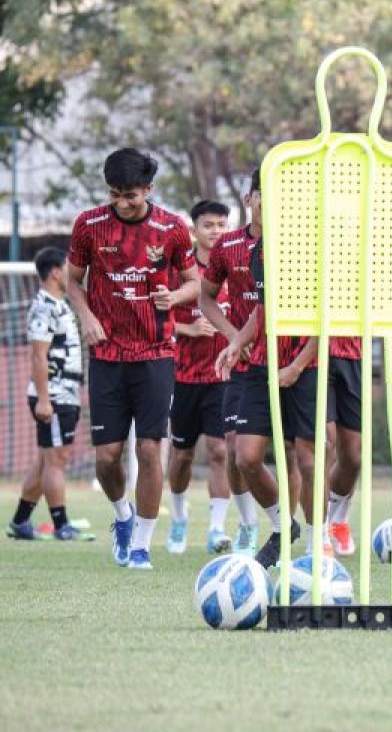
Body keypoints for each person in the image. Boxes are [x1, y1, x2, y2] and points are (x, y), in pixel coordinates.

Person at [67, 148, 199, 570]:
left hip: (156, 353)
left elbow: (195, 283)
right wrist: (86, 315)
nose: (122, 203)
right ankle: (122, 516)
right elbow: (73, 281)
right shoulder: (88, 225)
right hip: (106, 354)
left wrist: (173, 296)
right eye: (115, 194)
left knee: (148, 448)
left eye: (131, 195)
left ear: (148, 189)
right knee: (106, 457)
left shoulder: (173, 228)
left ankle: (141, 544)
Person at [214, 198, 319, 569]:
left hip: (307, 366)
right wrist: (237, 343)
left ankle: (316, 543)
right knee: (246, 457)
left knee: (307, 459)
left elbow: (329, 317)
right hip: (262, 364)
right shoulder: (259, 250)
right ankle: (281, 526)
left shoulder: (318, 246)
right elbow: (263, 309)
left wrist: (297, 366)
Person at [200, 172, 273, 557]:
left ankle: (293, 529)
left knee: (295, 450)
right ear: (249, 198)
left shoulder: (293, 242)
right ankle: (247, 524)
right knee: (233, 447)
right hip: (243, 361)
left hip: (285, 358)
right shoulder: (228, 246)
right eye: (265, 193)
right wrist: (233, 338)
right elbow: (206, 299)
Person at [7, 247, 92, 542]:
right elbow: (38, 357)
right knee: (57, 459)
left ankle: (20, 522)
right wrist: (44, 399)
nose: (73, 270)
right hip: (53, 395)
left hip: (64, 393)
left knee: (46, 460)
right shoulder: (44, 306)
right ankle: (61, 525)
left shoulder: (60, 303)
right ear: (56, 272)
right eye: (68, 266)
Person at [166, 201, 235, 555]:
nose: (216, 231)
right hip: (182, 376)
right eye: (209, 225)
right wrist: (187, 328)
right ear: (194, 229)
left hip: (221, 375)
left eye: (222, 224)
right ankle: (178, 518)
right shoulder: (180, 270)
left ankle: (216, 528)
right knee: (181, 455)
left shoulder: (234, 265)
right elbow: (154, 313)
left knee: (221, 450)